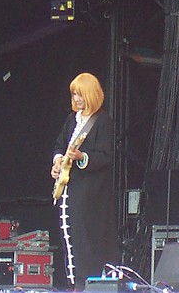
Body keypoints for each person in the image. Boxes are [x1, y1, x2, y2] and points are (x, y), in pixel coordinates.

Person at [50, 73, 118, 290]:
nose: (77, 99)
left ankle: (85, 282)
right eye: (74, 94)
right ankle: (73, 281)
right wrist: (58, 162)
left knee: (85, 237)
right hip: (69, 188)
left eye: (80, 94)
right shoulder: (72, 120)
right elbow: (60, 145)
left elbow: (105, 157)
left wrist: (82, 157)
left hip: (90, 192)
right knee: (68, 233)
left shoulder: (102, 121)